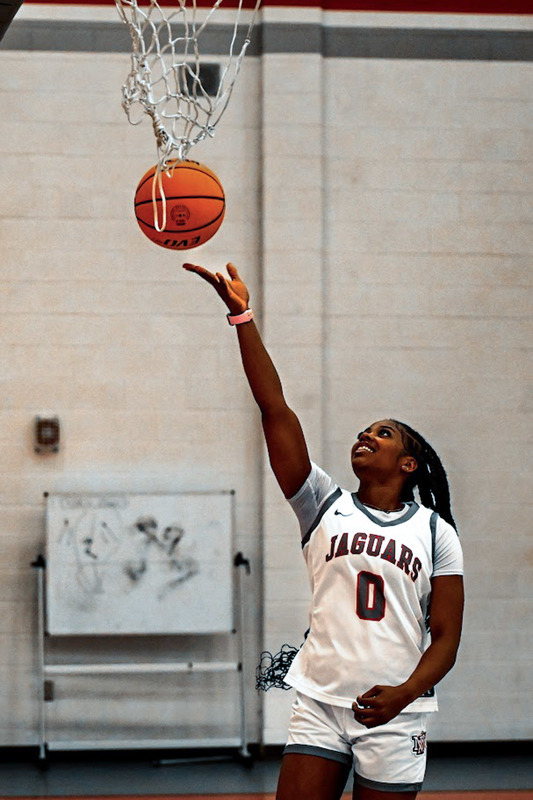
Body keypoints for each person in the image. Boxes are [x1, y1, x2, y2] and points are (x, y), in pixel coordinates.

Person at [183, 262, 464, 800]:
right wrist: (242, 316)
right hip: (319, 699)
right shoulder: (322, 503)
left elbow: (447, 639)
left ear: (409, 465)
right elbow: (274, 409)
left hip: (394, 708)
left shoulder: (435, 532)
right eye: (365, 430)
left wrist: (404, 694)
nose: (367, 435)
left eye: (384, 434)